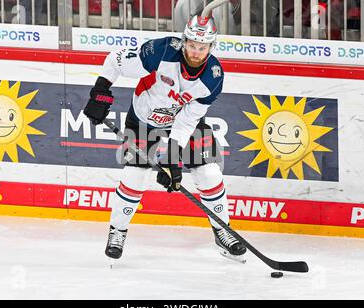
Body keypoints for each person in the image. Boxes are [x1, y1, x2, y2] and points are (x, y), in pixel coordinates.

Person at [83, 14, 247, 262]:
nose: (195, 52)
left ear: (211, 47)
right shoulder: (160, 52)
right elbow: (116, 60)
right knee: (135, 175)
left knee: (209, 172)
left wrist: (171, 159)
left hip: (183, 123)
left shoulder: (213, 77)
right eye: (191, 45)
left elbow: (187, 120)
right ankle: (118, 230)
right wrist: (100, 91)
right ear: (184, 41)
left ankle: (223, 231)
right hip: (144, 119)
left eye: (202, 48)